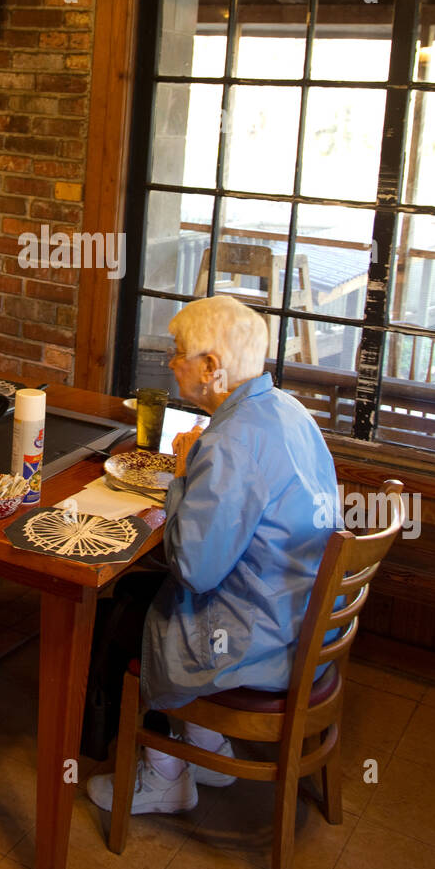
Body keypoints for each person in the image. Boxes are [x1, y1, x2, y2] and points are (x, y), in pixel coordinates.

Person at [87, 293, 340, 815]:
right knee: (143, 593)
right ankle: (203, 746)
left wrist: (182, 474)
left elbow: (194, 569)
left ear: (211, 367)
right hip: (309, 619)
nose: (171, 361)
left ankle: (164, 773)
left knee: (128, 611)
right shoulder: (286, 409)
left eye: (179, 351)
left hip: (265, 639)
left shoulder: (230, 443)